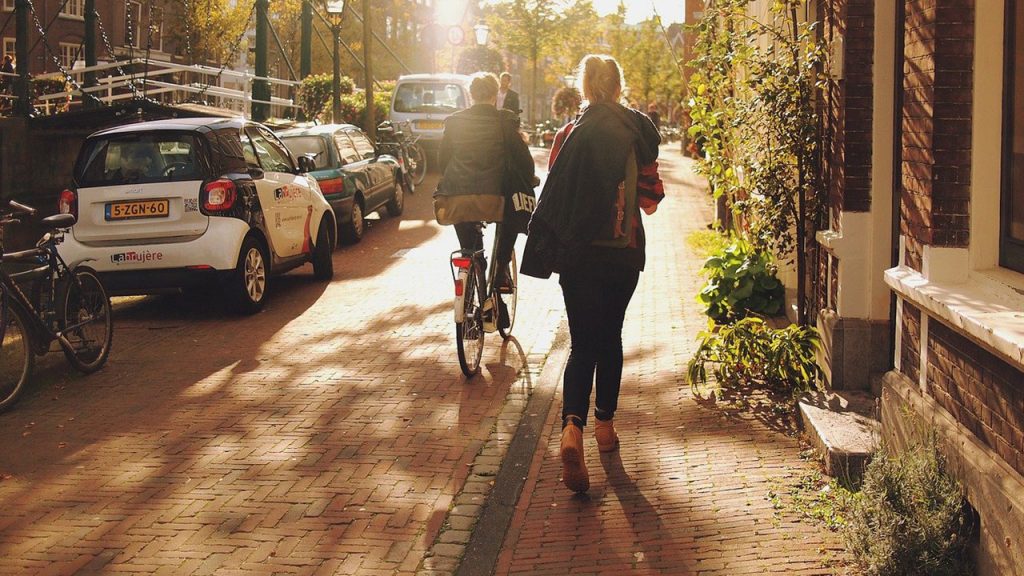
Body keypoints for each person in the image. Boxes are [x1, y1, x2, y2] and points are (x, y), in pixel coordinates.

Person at [521, 54, 663, 493]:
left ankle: (571, 430)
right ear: (619, 86)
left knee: (582, 344)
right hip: (623, 255)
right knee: (611, 338)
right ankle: (605, 429)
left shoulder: (568, 134)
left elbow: (556, 187)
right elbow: (651, 198)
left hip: (578, 256)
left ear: (584, 86)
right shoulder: (638, 131)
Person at [435, 72, 535, 328]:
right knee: (509, 223)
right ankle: (501, 271)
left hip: (456, 196)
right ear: (495, 95)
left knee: (471, 248)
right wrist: (530, 179)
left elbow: (442, 161)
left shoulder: (454, 122)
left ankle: (470, 303)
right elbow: (523, 160)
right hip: (495, 196)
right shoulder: (505, 121)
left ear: (471, 94)